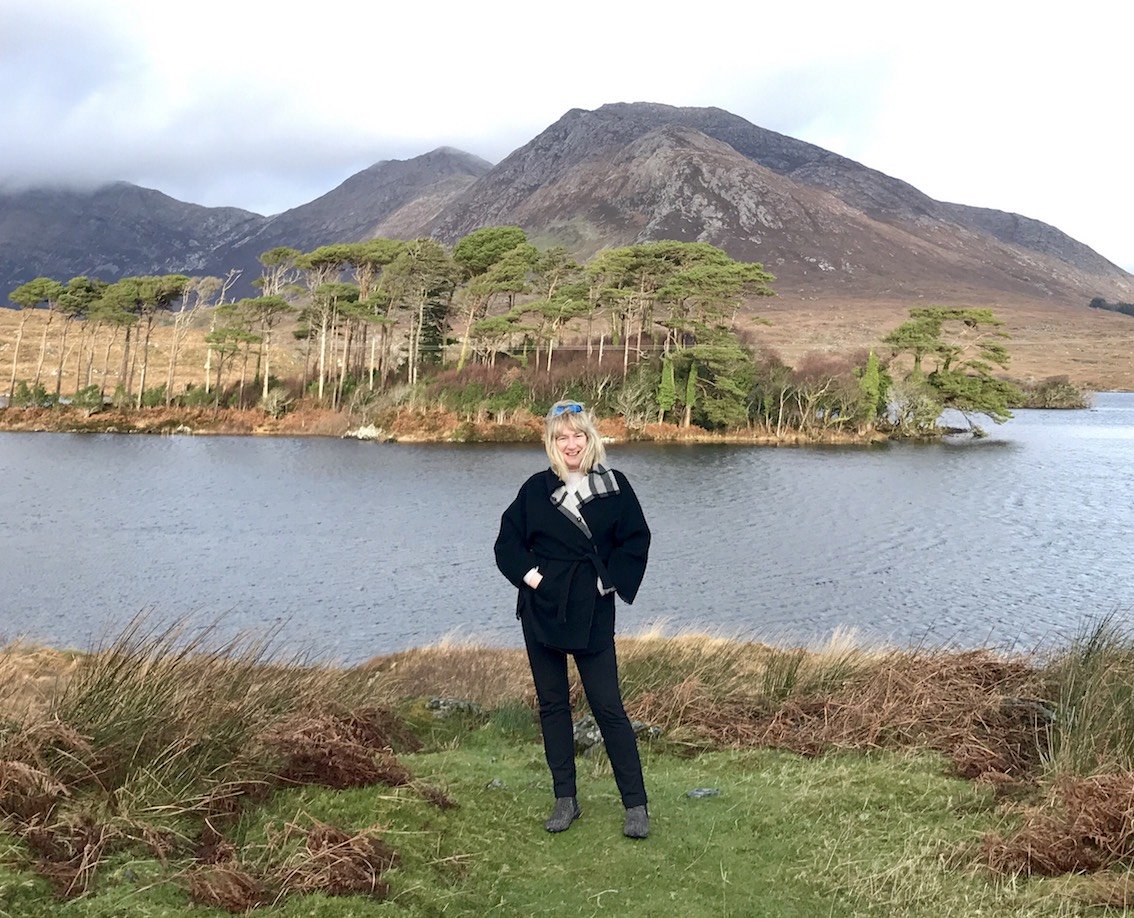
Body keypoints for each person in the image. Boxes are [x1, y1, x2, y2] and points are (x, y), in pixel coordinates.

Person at [494, 400, 652, 838]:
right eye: (561, 437)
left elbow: (636, 539)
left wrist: (609, 582)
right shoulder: (534, 490)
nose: (570, 444)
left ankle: (635, 805)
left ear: (590, 438)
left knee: (608, 708)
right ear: (551, 442)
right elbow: (506, 544)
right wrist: (533, 578)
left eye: (577, 435)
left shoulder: (614, 486)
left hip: (592, 610)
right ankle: (566, 799)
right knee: (552, 705)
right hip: (542, 609)